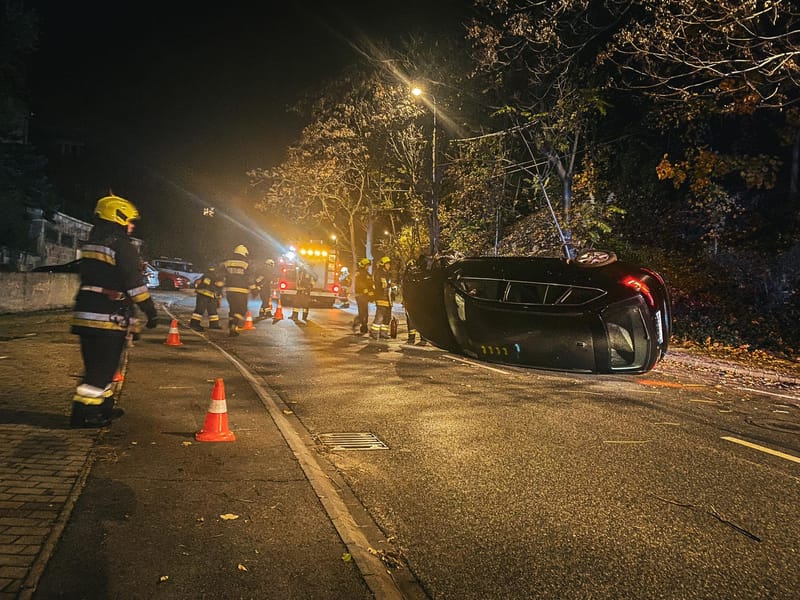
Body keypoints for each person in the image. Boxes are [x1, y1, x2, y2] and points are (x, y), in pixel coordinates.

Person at [70, 194, 158, 428]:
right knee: (102, 370)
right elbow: (134, 284)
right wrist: (150, 310)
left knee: (97, 366)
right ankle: (85, 415)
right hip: (108, 319)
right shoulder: (122, 246)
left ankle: (103, 408)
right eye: (129, 221)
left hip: (85, 315)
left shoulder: (91, 245)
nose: (131, 226)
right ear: (117, 217)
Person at [220, 244, 255, 337]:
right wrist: (254, 289)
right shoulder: (246, 264)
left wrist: (220, 286)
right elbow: (249, 278)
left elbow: (221, 274)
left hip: (229, 290)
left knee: (233, 309)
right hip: (241, 290)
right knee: (242, 309)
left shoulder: (227, 262)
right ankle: (233, 324)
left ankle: (233, 328)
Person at [189, 265, 224, 331]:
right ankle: (194, 324)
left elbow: (219, 290)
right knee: (200, 310)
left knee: (213, 310)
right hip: (203, 295)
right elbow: (206, 284)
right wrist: (214, 284)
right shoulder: (209, 276)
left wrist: (218, 298)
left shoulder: (214, 277)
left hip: (211, 296)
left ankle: (214, 324)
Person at [370, 256, 393, 340]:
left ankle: (383, 333)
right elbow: (382, 285)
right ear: (383, 265)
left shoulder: (387, 274)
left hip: (388, 298)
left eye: (389, 264)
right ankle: (373, 332)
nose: (389, 266)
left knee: (387, 316)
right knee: (380, 316)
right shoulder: (379, 273)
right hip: (381, 297)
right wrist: (390, 285)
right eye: (387, 264)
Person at [352, 258, 374, 334]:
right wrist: (364, 289)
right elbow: (358, 283)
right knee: (362, 311)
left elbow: (370, 284)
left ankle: (362, 324)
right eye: (367, 265)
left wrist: (372, 293)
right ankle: (361, 324)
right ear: (363, 265)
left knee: (365, 311)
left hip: (366, 295)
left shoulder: (368, 274)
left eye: (368, 265)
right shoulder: (358, 273)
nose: (368, 267)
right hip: (360, 295)